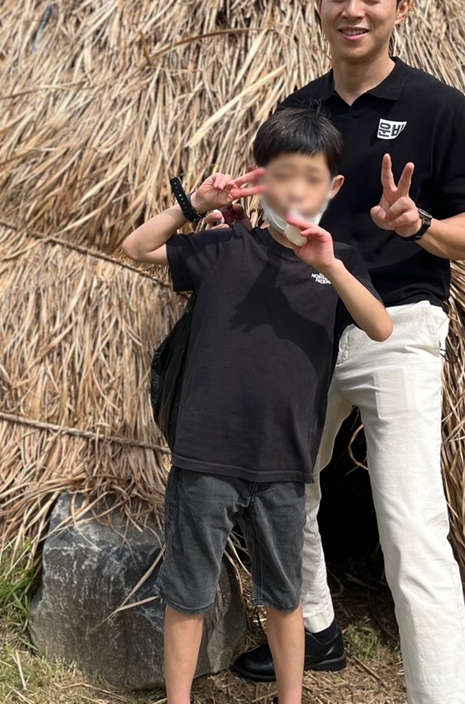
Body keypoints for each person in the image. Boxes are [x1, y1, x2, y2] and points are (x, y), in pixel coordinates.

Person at [228, 0, 465, 703]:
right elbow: (282, 213)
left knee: (412, 527)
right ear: (319, 4)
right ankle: (315, 627)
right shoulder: (298, 110)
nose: (354, 10)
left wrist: (417, 224)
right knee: (279, 486)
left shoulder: (439, 109)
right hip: (307, 326)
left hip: (400, 326)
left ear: (401, 8)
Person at [122, 108, 392, 704]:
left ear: (333, 186)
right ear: (260, 179)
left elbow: (379, 327)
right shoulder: (226, 245)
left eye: (311, 178)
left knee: (284, 595)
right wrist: (195, 205)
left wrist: (329, 265)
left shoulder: (339, 260)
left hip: (285, 460)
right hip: (205, 454)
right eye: (282, 175)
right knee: (188, 593)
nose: (296, 190)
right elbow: (137, 246)